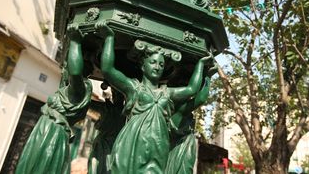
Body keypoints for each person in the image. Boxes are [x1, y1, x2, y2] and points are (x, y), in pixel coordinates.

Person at [95, 20, 213, 173]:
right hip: (132, 143)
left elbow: (192, 89)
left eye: (161, 65)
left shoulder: (167, 93)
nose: (157, 67)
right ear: (143, 65)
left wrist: (201, 67)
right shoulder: (134, 88)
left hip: (158, 145)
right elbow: (108, 69)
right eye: (153, 62)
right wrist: (109, 38)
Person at [16, 24, 93, 174]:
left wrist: (76, 42)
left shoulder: (81, 88)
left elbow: (75, 74)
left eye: (68, 64)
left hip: (53, 133)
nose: (65, 67)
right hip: (46, 128)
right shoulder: (65, 88)